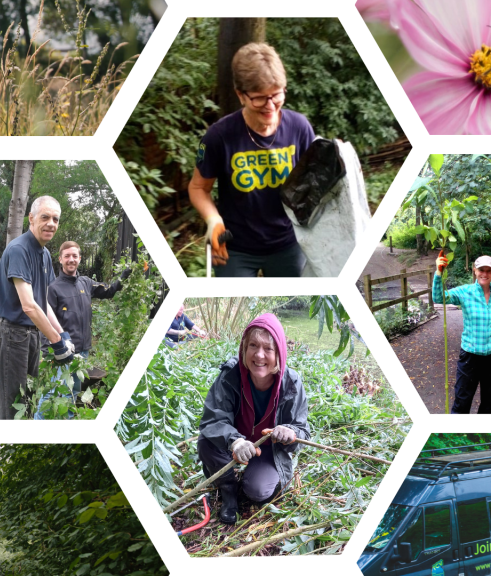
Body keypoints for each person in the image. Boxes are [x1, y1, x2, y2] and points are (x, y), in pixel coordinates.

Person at [189, 42, 315, 277]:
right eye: (259, 98)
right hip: (235, 249)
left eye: (276, 95)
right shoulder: (219, 136)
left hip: (289, 244)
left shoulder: (299, 128)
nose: (270, 106)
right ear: (241, 95)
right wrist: (213, 220)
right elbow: (198, 188)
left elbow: (313, 186)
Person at [197, 313, 310, 524]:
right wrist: (235, 441)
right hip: (235, 443)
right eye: (253, 346)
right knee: (206, 442)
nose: (259, 355)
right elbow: (213, 420)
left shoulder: (292, 383)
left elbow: (302, 432)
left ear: (279, 353)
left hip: (268, 449)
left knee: (258, 491)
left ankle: (253, 479)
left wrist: (291, 432)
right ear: (244, 348)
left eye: (268, 348)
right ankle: (228, 490)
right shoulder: (230, 375)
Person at [0, 196, 75, 420]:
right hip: (13, 336)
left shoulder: (45, 254)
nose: (51, 224)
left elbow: (42, 301)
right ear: (31, 218)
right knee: (14, 406)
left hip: (32, 336)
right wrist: (56, 343)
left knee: (28, 400)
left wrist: (62, 334)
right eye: (45, 217)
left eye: (55, 219)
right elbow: (29, 306)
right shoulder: (19, 250)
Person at [32, 241, 132, 419]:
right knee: (53, 393)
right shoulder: (53, 288)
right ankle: (38, 423)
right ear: (60, 259)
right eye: (67, 256)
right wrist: (49, 352)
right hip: (62, 353)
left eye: (74, 256)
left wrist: (123, 278)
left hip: (82, 352)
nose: (71, 259)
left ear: (79, 258)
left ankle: (68, 421)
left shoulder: (86, 283)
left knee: (73, 392)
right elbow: (45, 321)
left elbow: (109, 291)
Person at [431, 251, 491, 414]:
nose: (485, 274)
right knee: (462, 400)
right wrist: (438, 272)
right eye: (481, 270)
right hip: (470, 355)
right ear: (475, 270)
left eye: (489, 270)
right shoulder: (465, 292)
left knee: (489, 402)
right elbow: (438, 297)